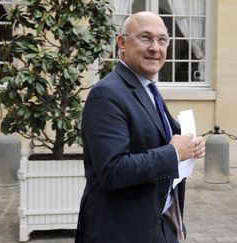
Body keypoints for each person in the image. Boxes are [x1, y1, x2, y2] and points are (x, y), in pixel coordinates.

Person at [75, 11, 205, 243]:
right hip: (121, 230)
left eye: (162, 40)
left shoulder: (147, 87)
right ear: (122, 43)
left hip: (158, 221)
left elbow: (156, 137)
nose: (155, 47)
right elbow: (111, 171)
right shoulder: (107, 94)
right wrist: (174, 153)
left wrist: (190, 145)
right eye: (145, 38)